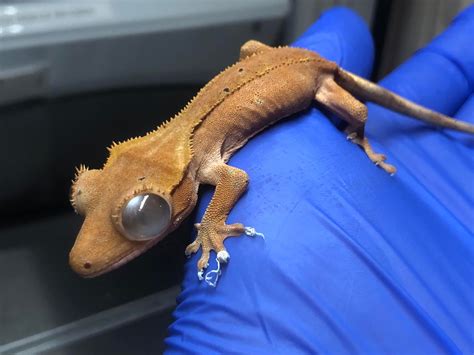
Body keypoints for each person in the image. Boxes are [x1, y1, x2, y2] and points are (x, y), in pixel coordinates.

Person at [166, 6, 474, 354]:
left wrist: (359, 134)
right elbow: (251, 48)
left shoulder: (201, 159)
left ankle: (373, 133)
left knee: (357, 112)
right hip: (286, 70)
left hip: (316, 77)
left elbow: (235, 180)